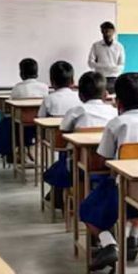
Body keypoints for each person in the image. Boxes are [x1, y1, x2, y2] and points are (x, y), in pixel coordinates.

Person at [78, 73, 138, 272]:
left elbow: (104, 160)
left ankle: (108, 243)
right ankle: (133, 236)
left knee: (87, 209)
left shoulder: (116, 124)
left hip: (123, 193)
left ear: (118, 103)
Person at [43, 72, 117, 205]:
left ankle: (69, 198)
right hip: (110, 163)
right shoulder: (113, 112)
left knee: (66, 157)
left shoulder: (76, 111)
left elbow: (62, 131)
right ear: (105, 94)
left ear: (80, 95)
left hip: (80, 162)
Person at [0, 58, 49, 161]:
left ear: (21, 74)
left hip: (21, 124)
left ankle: (12, 152)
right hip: (40, 124)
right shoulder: (44, 87)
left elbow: (10, 105)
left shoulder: (18, 88)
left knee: (6, 123)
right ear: (37, 73)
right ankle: (28, 147)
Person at [88, 21, 125, 93]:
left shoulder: (119, 46)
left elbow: (121, 65)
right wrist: (107, 66)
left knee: (113, 97)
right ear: (101, 32)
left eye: (109, 31)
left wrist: (105, 67)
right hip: (99, 78)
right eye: (104, 31)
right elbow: (90, 63)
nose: (107, 34)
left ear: (113, 32)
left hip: (114, 78)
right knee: (99, 97)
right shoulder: (96, 45)